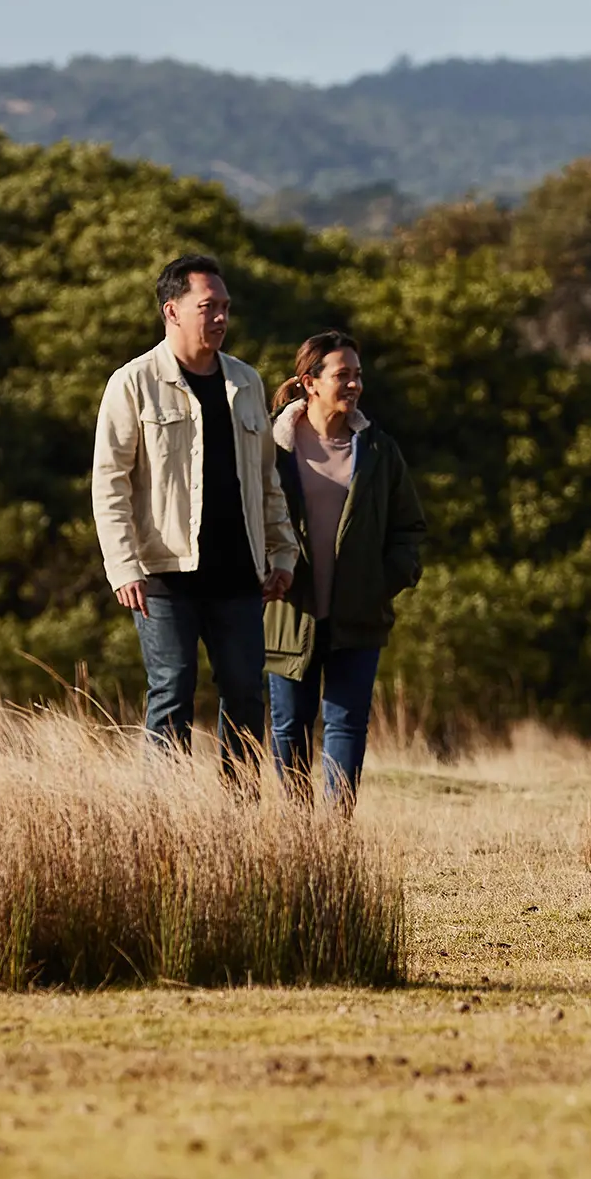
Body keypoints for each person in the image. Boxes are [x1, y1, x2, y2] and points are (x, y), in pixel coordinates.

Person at [92, 253, 299, 772]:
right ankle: (164, 821)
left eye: (226, 307)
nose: (222, 317)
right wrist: (122, 565)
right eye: (209, 306)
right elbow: (109, 482)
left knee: (246, 697)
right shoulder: (132, 382)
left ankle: (240, 818)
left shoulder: (246, 383)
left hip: (238, 574)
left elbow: (267, 480)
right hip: (164, 574)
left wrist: (283, 553)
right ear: (172, 311)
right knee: (172, 693)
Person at [264, 331, 426, 808]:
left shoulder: (377, 450)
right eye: (343, 375)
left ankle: (336, 835)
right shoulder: (272, 446)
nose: (354, 384)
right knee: (290, 724)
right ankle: (298, 832)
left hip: (358, 611)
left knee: (347, 721)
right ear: (309, 383)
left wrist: (386, 581)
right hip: (289, 611)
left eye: (358, 375)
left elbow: (409, 527)